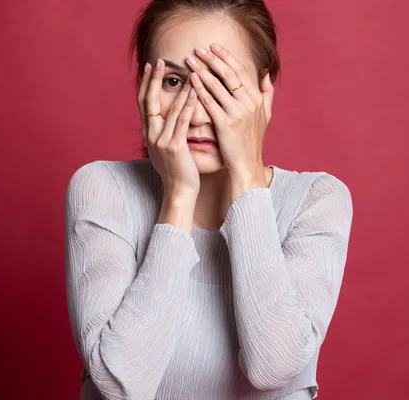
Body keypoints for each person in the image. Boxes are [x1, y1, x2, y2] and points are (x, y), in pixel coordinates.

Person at [65, 0, 354, 399]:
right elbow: (119, 385)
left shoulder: (316, 200)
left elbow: (273, 368)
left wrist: (248, 177)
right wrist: (179, 197)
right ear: (142, 88)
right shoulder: (103, 188)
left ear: (263, 91)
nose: (198, 114)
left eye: (221, 82)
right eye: (173, 81)